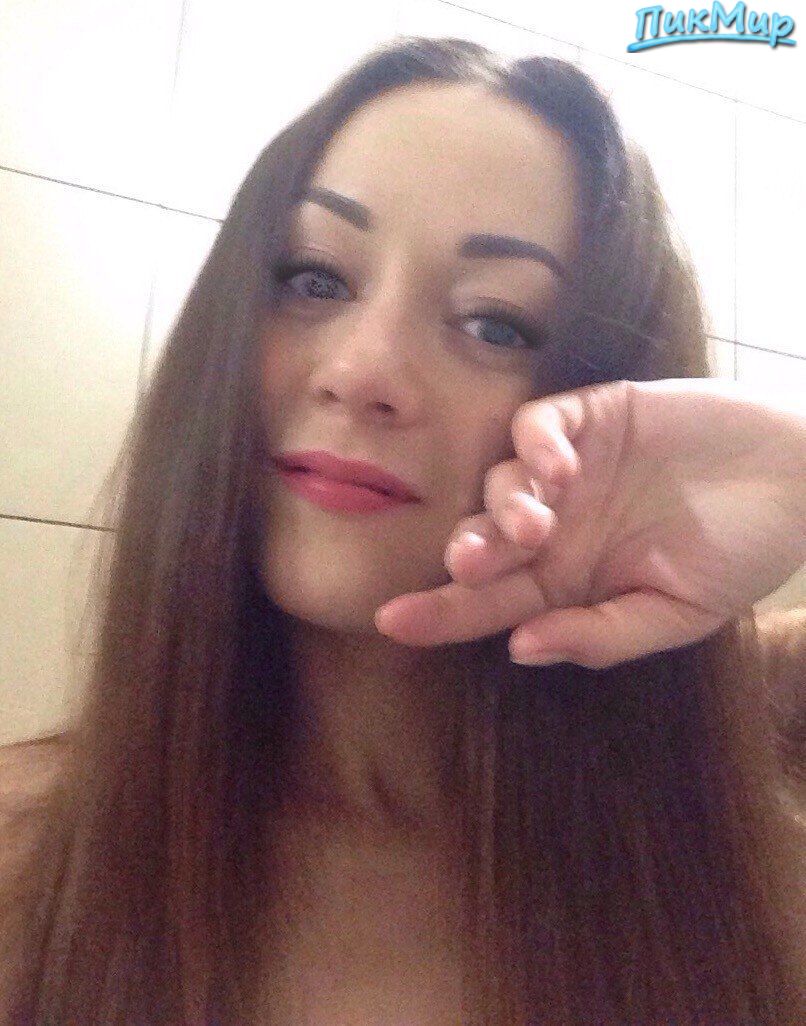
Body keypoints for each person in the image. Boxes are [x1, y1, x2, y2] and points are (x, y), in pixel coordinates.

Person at [0, 35, 804, 1026]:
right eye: (314, 279)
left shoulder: (752, 909)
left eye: (495, 324)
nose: (362, 371)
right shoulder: (23, 864)